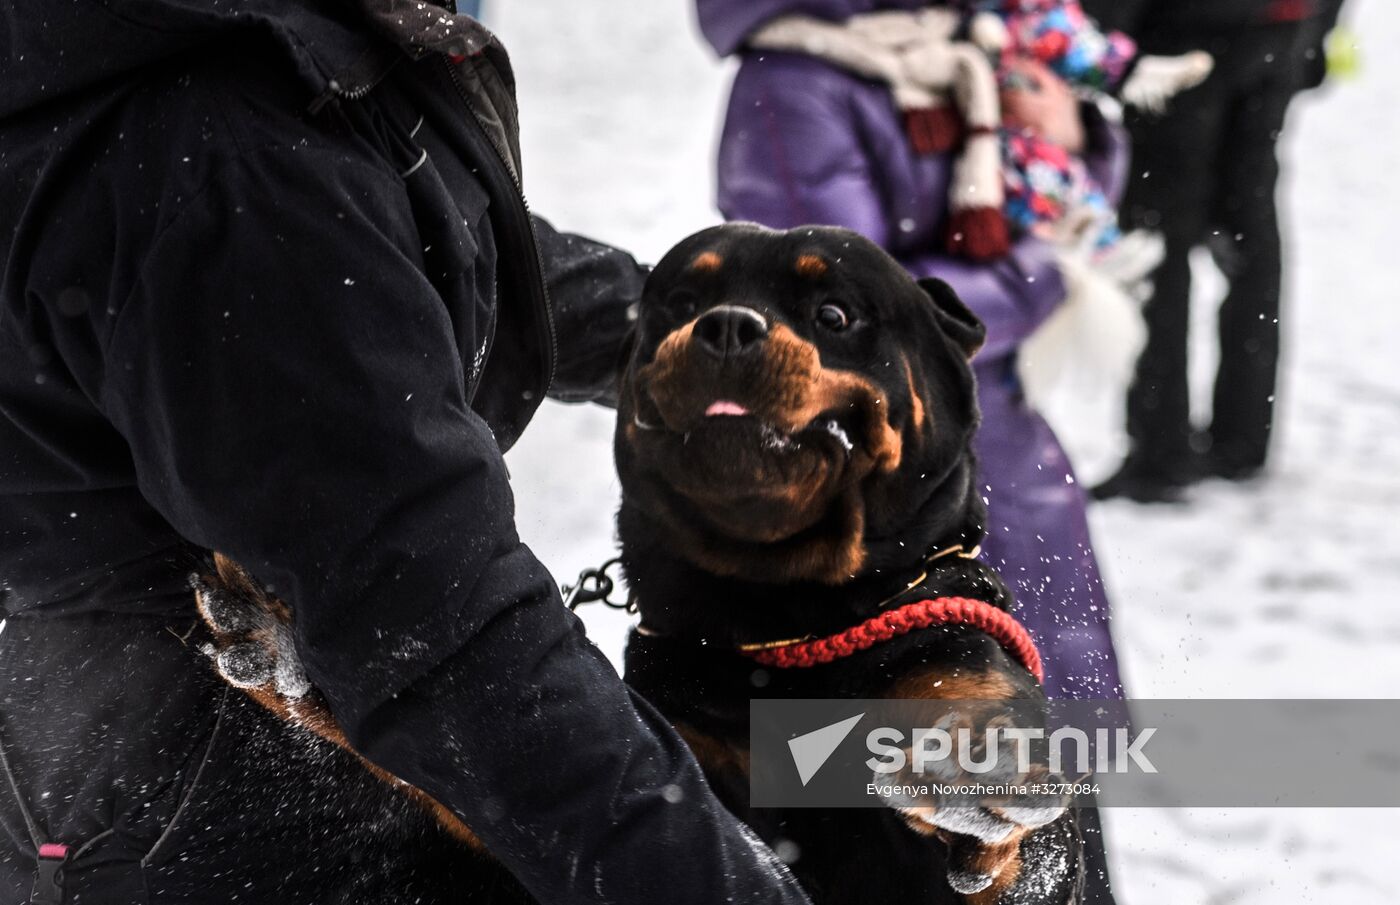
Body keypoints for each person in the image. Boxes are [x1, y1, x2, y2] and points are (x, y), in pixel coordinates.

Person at [0, 2, 814, 904]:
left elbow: (432, 247)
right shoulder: (233, 153)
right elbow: (450, 637)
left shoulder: (289, 66)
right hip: (215, 792)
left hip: (170, 745)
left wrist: (680, 342)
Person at [695, 1, 1129, 899]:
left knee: (1054, 821)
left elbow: (1061, 193)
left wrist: (1076, 130)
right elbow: (851, 324)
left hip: (1004, 477)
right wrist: (1038, 271)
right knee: (916, 837)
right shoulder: (795, 82)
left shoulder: (963, 40)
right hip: (878, 528)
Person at [1086, 0, 1346, 502]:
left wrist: (1103, 50)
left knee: (1157, 238)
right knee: (1249, 234)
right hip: (1281, 29)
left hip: (1181, 38)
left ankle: (1161, 453)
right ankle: (1242, 438)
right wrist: (1317, 31)